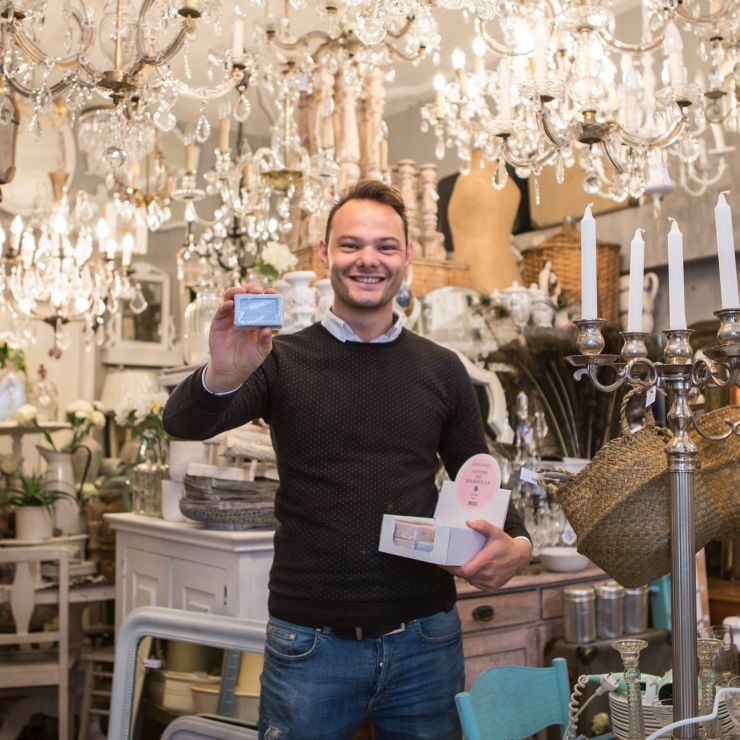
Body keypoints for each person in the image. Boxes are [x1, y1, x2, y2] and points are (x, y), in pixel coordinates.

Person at [163, 180, 532, 739]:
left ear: (408, 256)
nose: (368, 259)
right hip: (309, 644)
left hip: (426, 639)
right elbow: (183, 423)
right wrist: (222, 373)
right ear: (324, 254)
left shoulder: (442, 368)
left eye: (385, 246)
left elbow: (475, 471)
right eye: (350, 244)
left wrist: (519, 544)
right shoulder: (277, 359)